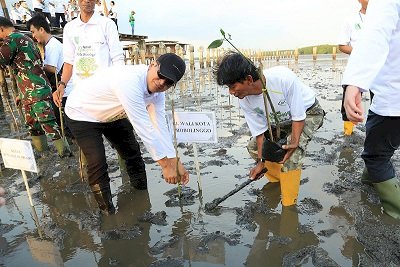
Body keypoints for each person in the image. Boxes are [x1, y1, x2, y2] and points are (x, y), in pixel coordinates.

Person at [64, 53, 190, 215]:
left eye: (169, 82)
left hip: (114, 112)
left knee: (132, 152)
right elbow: (144, 127)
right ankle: (107, 212)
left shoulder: (159, 93)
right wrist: (166, 166)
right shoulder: (129, 82)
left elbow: (159, 125)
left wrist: (174, 160)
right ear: (152, 65)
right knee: (97, 161)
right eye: (161, 76)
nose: (161, 83)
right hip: (82, 113)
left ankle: (142, 199)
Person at [214, 51, 325, 206]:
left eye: (232, 86)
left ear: (249, 79)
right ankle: (278, 178)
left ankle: (288, 206)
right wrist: (261, 162)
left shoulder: (283, 78)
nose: (231, 92)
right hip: (279, 122)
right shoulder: (244, 100)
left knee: (291, 155)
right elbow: (260, 134)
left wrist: (294, 143)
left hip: (307, 113)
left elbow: (298, 116)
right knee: (253, 147)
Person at [342, 0, 400, 219]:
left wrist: (354, 84)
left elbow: (375, 37)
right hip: (389, 93)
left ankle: (396, 214)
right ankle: (370, 180)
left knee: (375, 156)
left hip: (393, 96)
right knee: (382, 142)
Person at [0, 17, 69, 157]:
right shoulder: (24, 38)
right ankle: (44, 156)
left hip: (36, 91)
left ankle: (65, 154)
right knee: (34, 126)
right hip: (29, 91)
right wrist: (21, 94)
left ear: (1, 29)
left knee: (49, 124)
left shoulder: (13, 39)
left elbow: (2, 59)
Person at [27, 14, 69, 136]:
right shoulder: (51, 44)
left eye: (33, 32)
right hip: (62, 88)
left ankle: (71, 150)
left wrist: (34, 65)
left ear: (41, 29)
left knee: (63, 123)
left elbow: (52, 68)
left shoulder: (53, 45)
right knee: (63, 122)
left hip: (63, 89)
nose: (33, 36)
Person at [338, 0, 369, 136]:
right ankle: (348, 133)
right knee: (349, 102)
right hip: (358, 67)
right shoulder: (350, 20)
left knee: (380, 103)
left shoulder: (387, 18)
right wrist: (360, 51)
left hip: (381, 69)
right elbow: (342, 45)